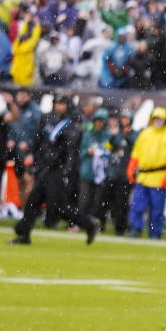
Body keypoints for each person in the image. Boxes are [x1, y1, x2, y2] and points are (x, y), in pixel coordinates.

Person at [11, 95, 99, 245]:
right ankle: (24, 234)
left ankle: (89, 224)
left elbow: (71, 149)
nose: (58, 107)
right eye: (57, 103)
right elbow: (39, 141)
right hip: (45, 168)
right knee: (33, 201)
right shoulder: (47, 119)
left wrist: (66, 171)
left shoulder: (73, 122)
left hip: (57, 170)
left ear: (68, 105)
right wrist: (33, 155)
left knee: (58, 207)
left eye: (62, 104)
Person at [126, 107, 166, 239]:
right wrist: (131, 168)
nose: (157, 121)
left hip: (159, 177)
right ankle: (135, 229)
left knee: (157, 210)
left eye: (160, 119)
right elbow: (136, 153)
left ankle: (155, 233)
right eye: (155, 119)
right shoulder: (145, 133)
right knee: (137, 206)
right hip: (144, 176)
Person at [98, 109, 136, 235]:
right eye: (123, 118)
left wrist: (127, 137)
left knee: (121, 204)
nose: (124, 121)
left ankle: (120, 228)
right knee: (103, 201)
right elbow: (109, 146)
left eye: (127, 118)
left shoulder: (134, 134)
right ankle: (100, 225)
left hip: (125, 175)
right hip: (112, 172)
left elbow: (136, 148)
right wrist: (114, 136)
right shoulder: (116, 133)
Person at [77, 108, 110, 221]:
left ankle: (95, 221)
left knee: (98, 200)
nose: (99, 123)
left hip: (101, 173)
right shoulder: (88, 134)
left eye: (101, 121)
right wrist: (88, 151)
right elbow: (81, 152)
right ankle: (81, 221)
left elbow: (110, 151)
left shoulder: (108, 135)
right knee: (84, 199)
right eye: (97, 121)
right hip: (87, 171)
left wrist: (101, 152)